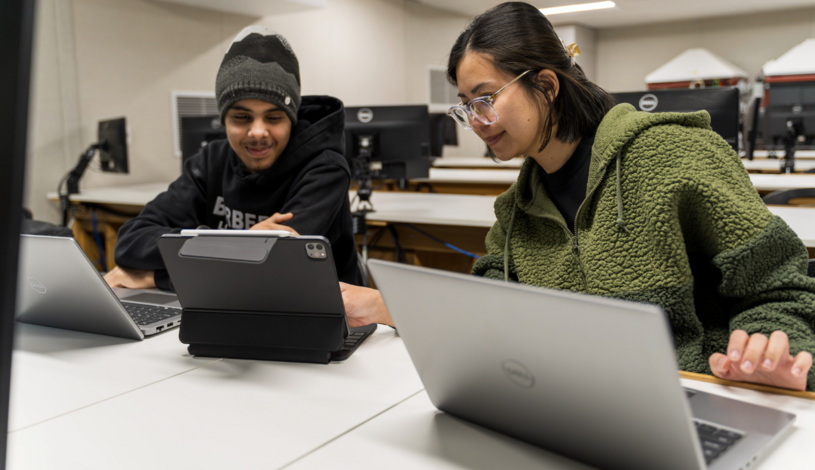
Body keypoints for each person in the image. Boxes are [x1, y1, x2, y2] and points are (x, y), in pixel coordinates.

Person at [343, 2, 815, 391]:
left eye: (485, 98)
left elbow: (784, 292)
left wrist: (772, 348)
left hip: (691, 391)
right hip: (569, 400)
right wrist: (392, 306)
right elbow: (489, 311)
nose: (477, 121)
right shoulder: (518, 208)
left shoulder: (677, 156)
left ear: (546, 86)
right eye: (467, 107)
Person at [105, 26, 361, 290]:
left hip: (319, 315)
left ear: (292, 120)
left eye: (274, 118)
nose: (258, 132)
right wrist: (237, 244)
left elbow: (270, 273)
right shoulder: (211, 160)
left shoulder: (325, 169)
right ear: (223, 120)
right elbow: (130, 241)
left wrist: (153, 278)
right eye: (241, 117)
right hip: (222, 306)